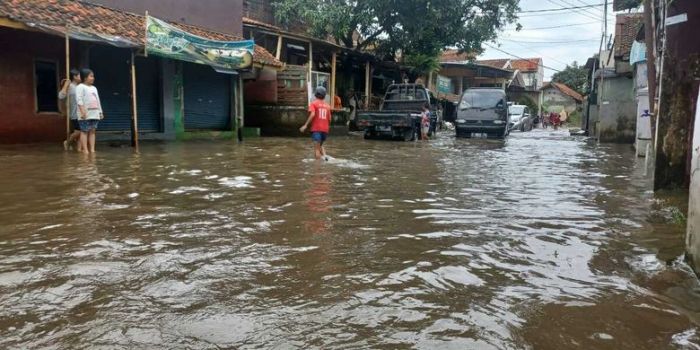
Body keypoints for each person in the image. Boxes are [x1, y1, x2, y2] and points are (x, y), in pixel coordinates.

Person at [75, 68, 103, 154]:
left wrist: (100, 112)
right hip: (84, 114)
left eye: (93, 76)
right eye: (91, 76)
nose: (93, 78)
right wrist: (82, 111)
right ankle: (85, 151)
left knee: (93, 131)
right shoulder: (80, 87)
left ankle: (92, 149)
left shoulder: (94, 88)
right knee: (84, 131)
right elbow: (79, 100)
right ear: (85, 77)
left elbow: (98, 100)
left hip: (94, 113)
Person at [300, 86, 331, 160]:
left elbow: (313, 114)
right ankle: (326, 158)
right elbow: (330, 119)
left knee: (316, 149)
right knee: (320, 145)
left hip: (317, 129)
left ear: (316, 94)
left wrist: (305, 125)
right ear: (324, 96)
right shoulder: (327, 106)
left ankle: (317, 168)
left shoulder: (313, 104)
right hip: (325, 129)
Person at [58, 69, 82, 151]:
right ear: (75, 77)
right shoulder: (70, 86)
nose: (80, 77)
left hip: (81, 112)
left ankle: (79, 149)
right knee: (79, 131)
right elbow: (61, 96)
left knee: (80, 132)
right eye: (79, 75)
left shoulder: (80, 87)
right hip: (75, 112)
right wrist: (65, 85)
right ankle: (67, 142)